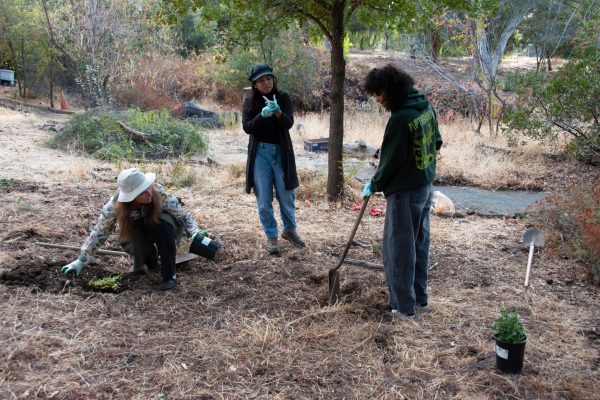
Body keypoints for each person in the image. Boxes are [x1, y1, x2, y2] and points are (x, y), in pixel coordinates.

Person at [362, 64, 443, 319]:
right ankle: (419, 299)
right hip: (424, 187)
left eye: (379, 94)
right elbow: (436, 141)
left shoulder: (400, 119)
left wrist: (374, 184)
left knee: (398, 249)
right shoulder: (424, 106)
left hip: (404, 193)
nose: (378, 99)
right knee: (419, 244)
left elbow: (391, 161)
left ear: (391, 89)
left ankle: (402, 307)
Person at [61, 168, 203, 291]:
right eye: (141, 192)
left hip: (165, 230)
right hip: (138, 231)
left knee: (163, 225)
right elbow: (100, 231)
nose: (148, 193)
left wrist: (195, 232)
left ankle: (169, 275)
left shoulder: (158, 193)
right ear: (131, 196)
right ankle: (150, 261)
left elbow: (184, 216)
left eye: (147, 187)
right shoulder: (114, 206)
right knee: (135, 236)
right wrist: (81, 260)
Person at [242, 63, 305, 254]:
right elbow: (247, 127)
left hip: (281, 152)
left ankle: (290, 229)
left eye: (269, 78)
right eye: (261, 80)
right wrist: (262, 115)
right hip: (260, 153)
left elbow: (289, 123)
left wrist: (278, 111)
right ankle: (272, 237)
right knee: (264, 200)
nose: (266, 83)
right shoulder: (251, 102)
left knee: (286, 194)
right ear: (255, 84)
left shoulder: (283, 97)